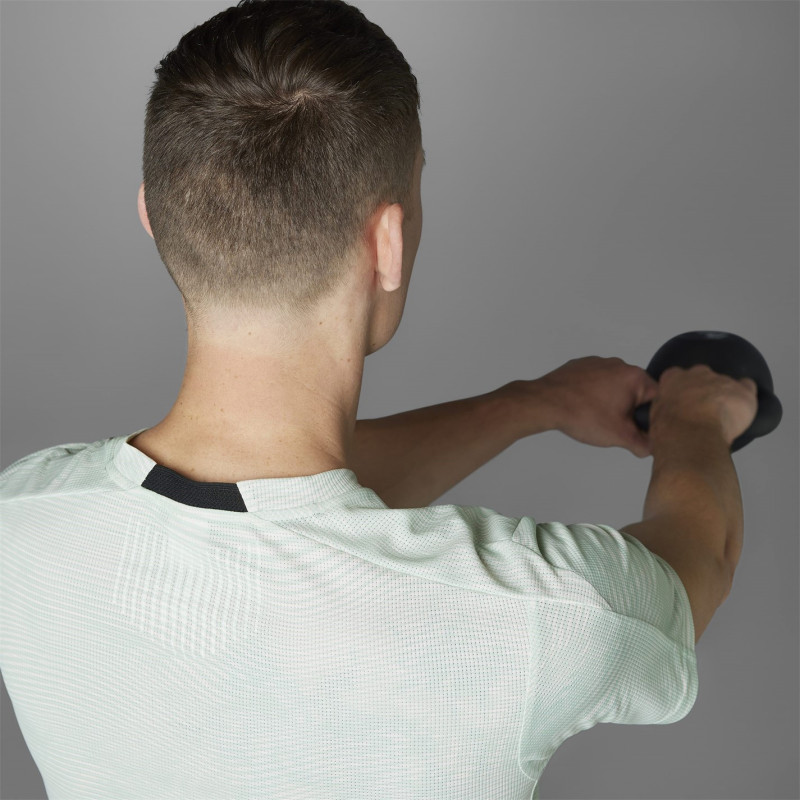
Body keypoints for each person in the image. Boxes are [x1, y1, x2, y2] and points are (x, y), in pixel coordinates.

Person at [0, 1, 757, 797]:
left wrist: (531, 404)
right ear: (386, 242)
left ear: (153, 217)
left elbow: (266, 514)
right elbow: (700, 559)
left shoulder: (23, 519)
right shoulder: (542, 612)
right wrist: (694, 417)